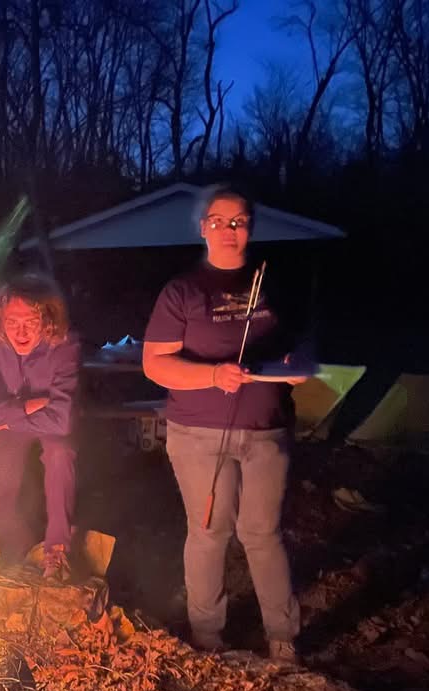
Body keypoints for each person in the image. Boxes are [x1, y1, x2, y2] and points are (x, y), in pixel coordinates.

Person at [142, 185, 306, 662]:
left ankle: (282, 636)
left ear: (250, 228)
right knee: (209, 531)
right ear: (203, 228)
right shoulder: (183, 291)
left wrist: (298, 365)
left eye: (238, 222)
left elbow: (304, 346)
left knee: (263, 533)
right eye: (218, 221)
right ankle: (207, 634)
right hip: (199, 434)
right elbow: (156, 364)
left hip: (266, 430)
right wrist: (213, 375)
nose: (228, 230)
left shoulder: (276, 285)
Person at [0, 274, 80, 581]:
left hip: (43, 425)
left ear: (47, 320)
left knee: (59, 454)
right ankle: (26, 553)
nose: (21, 332)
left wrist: (3, 419)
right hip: (18, 423)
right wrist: (27, 406)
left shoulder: (64, 345)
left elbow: (61, 418)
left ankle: (57, 550)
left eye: (30, 322)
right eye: (12, 322)